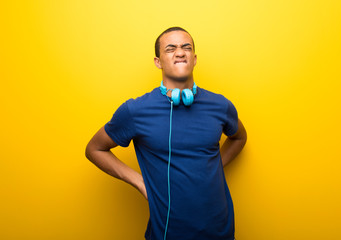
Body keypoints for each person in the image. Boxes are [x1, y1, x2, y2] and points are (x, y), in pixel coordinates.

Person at [85, 26, 247, 240]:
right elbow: (94, 149)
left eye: (186, 47)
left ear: (194, 58)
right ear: (158, 62)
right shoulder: (135, 111)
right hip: (167, 233)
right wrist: (140, 182)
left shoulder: (220, 105)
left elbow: (239, 137)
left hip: (221, 231)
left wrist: (215, 166)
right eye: (170, 49)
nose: (180, 52)